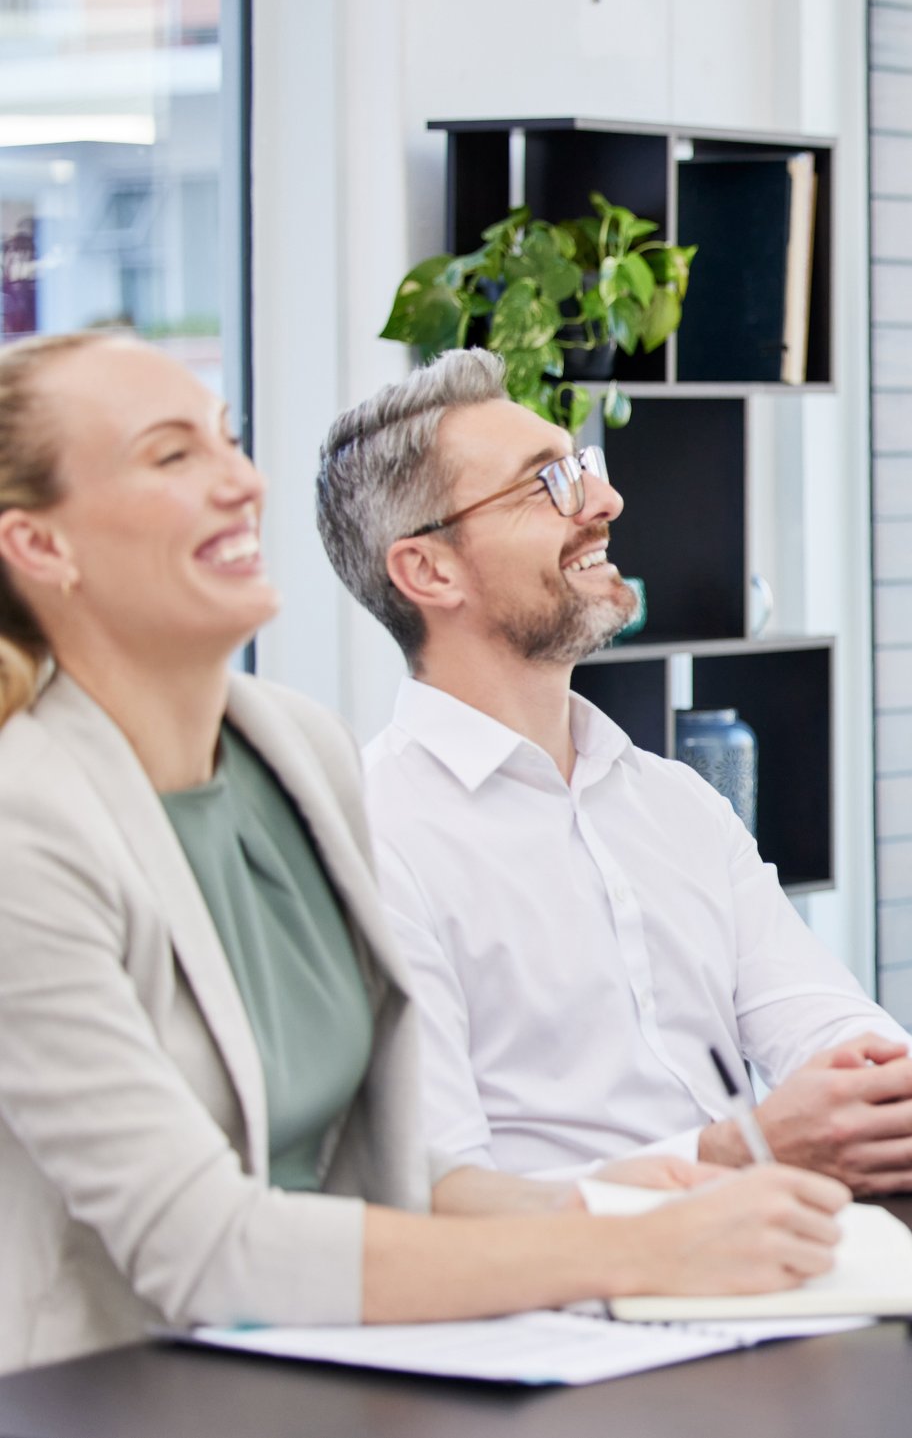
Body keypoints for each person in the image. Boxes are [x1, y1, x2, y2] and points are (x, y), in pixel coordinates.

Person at [0, 332, 848, 1374]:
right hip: (113, 1388)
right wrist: (621, 1243)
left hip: (334, 1359)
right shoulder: (25, 827)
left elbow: (400, 1163)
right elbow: (200, 1242)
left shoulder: (292, 751)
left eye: (229, 441)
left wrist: (623, 1194)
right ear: (41, 548)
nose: (241, 482)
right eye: (173, 457)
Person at [317, 350, 912, 1191]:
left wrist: (909, 1103)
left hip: (775, 1259)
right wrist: (734, 1155)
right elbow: (439, 1196)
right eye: (546, 483)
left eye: (582, 468)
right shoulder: (373, 840)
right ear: (429, 569)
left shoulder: (676, 803)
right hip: (567, 1306)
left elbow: (827, 1024)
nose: (605, 501)